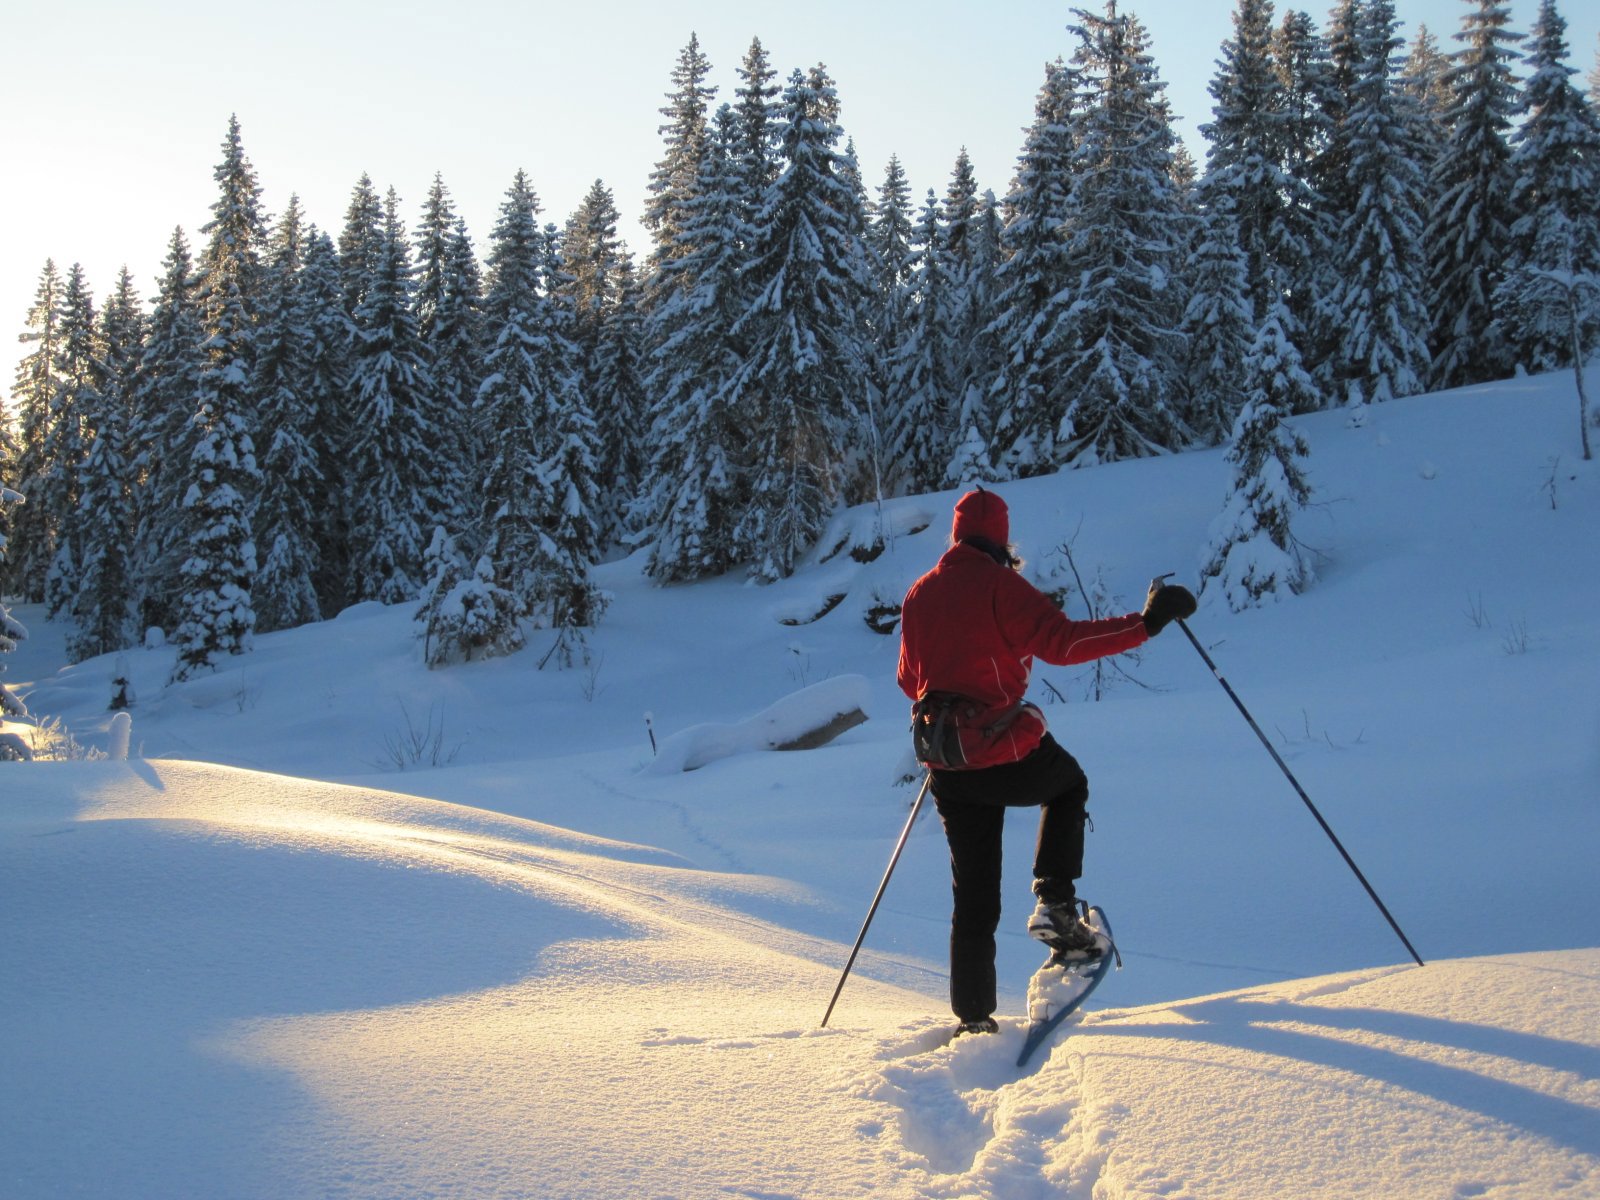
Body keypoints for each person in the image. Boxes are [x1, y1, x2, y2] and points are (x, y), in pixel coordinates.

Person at [896, 487, 1196, 1036]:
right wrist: (1146, 624)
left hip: (949, 765)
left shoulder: (919, 593)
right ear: (1002, 538)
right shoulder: (1002, 587)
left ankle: (974, 1020)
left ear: (957, 536)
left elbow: (907, 680)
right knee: (1067, 785)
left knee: (974, 897)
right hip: (1002, 752)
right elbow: (1062, 643)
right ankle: (1056, 906)